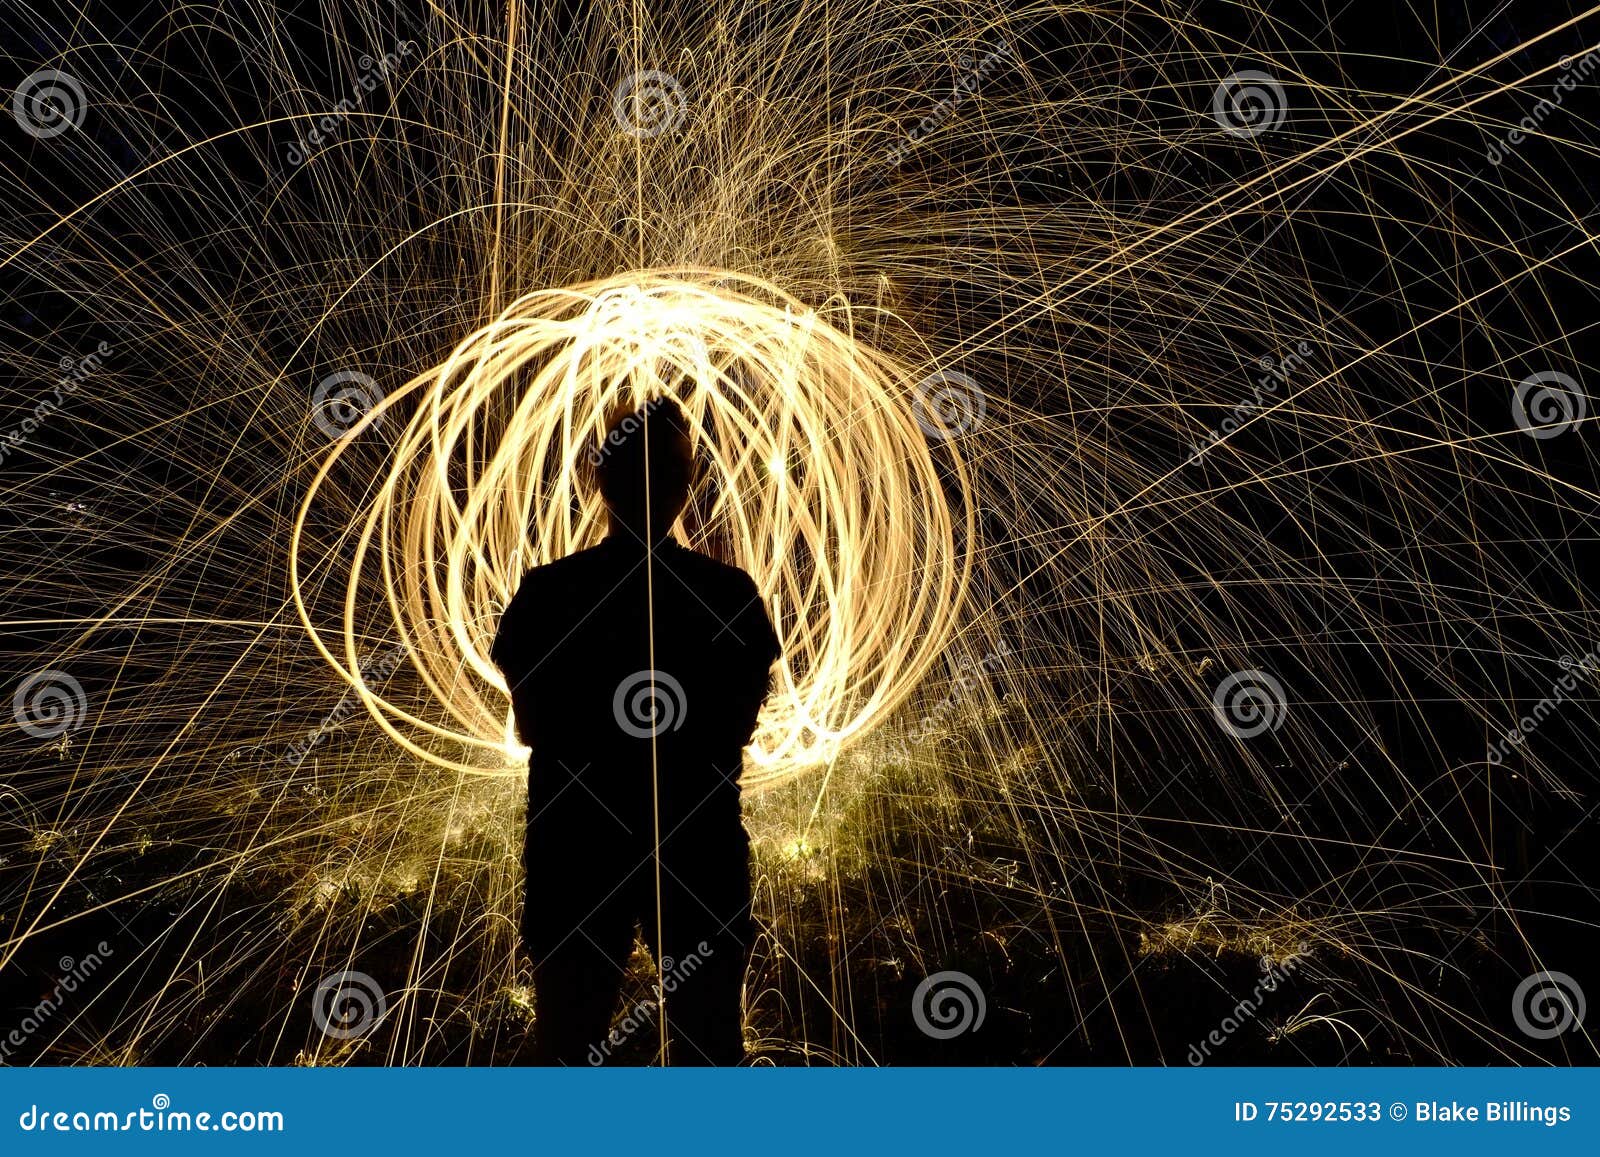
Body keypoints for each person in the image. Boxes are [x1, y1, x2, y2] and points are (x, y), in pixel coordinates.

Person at [491, 396, 780, 1065]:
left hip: (577, 850)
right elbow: (737, 724)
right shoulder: (727, 594)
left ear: (598, 480)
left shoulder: (550, 594)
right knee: (708, 1043)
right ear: (689, 483)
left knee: (568, 1043)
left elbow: (533, 723)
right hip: (695, 848)